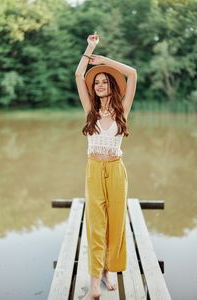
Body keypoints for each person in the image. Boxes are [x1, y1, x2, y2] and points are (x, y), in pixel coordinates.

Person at [75, 33, 137, 300]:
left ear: (111, 85)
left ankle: (109, 270)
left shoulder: (123, 109)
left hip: (116, 170)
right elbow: (79, 76)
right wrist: (90, 49)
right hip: (93, 170)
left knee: (116, 223)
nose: (99, 84)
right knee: (95, 224)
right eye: (97, 82)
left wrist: (105, 61)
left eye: (104, 81)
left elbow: (133, 73)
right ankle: (93, 284)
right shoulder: (90, 109)